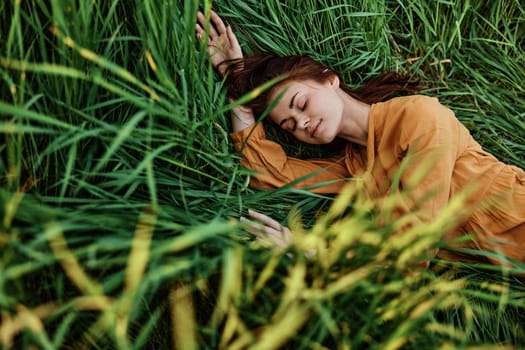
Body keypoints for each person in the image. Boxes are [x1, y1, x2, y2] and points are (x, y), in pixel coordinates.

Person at [196, 10, 525, 269]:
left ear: (329, 79)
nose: (303, 123)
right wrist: (235, 84)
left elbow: (414, 251)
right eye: (290, 125)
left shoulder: (419, 117)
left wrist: (310, 250)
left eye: (301, 104)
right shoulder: (354, 168)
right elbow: (268, 174)